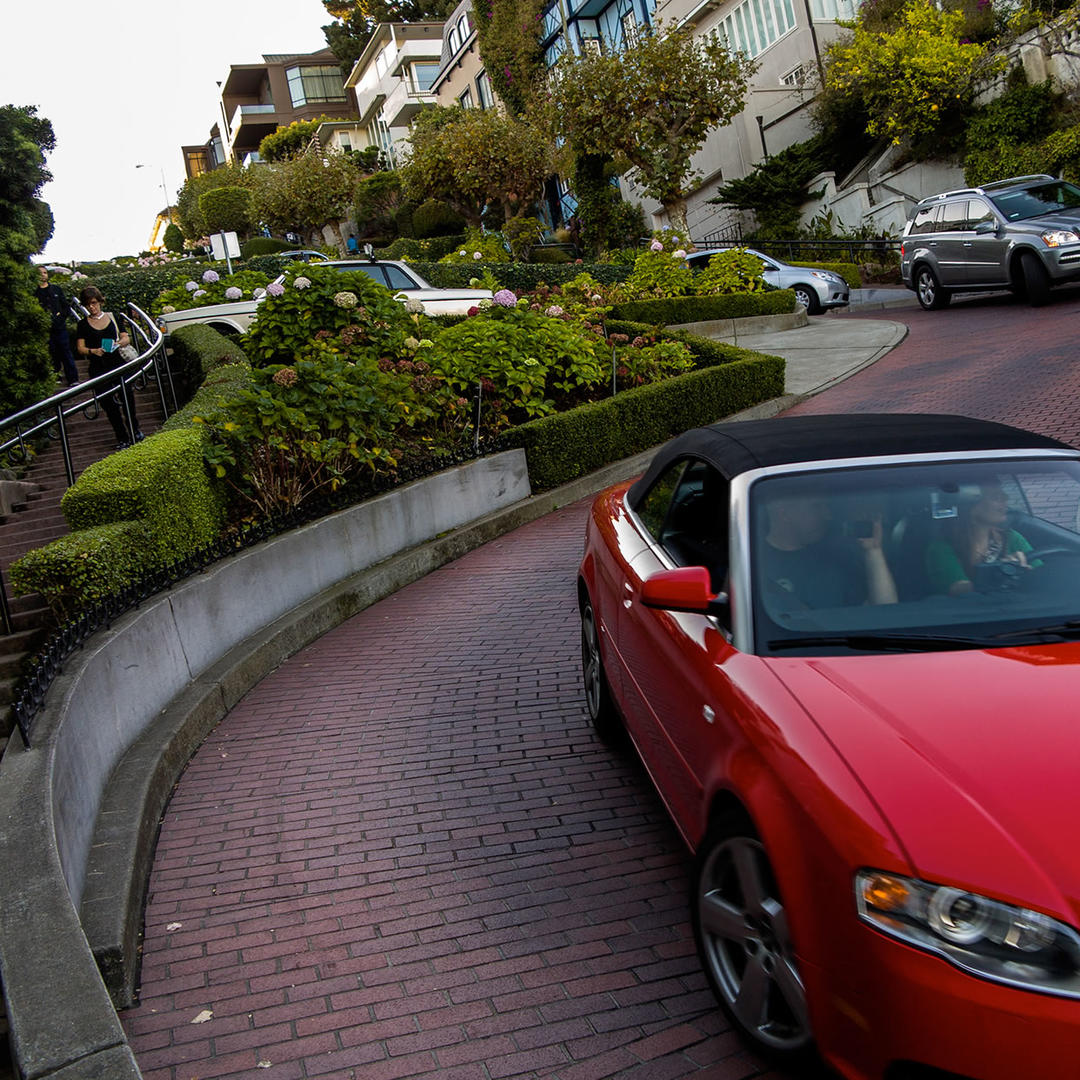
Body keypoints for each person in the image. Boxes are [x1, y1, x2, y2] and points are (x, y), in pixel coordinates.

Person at [759, 494, 898, 609]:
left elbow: (884, 610)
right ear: (784, 513)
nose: (827, 515)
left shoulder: (837, 559)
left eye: (826, 507)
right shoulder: (750, 563)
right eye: (816, 507)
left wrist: (873, 551)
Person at [925, 482, 1034, 595]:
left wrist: (1027, 572)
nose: (1006, 499)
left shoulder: (1012, 537)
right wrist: (999, 573)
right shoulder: (941, 548)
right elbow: (958, 589)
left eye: (1004, 496)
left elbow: (1043, 573)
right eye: (996, 497)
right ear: (971, 507)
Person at [75, 286, 143, 449]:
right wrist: (93, 351)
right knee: (109, 404)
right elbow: (80, 348)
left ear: (100, 301)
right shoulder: (83, 325)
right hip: (99, 367)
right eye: (88, 305)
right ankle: (122, 437)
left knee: (128, 399)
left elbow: (126, 337)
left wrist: (119, 343)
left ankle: (135, 430)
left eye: (94, 303)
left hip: (118, 363)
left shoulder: (113, 317)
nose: (92, 307)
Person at [35, 267, 80, 386]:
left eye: (45, 273)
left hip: (60, 328)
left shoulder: (56, 289)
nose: (43, 275)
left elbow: (66, 307)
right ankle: (56, 376)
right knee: (51, 353)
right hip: (44, 329)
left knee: (65, 352)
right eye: (40, 273)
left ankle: (73, 378)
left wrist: (60, 318)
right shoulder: (34, 292)